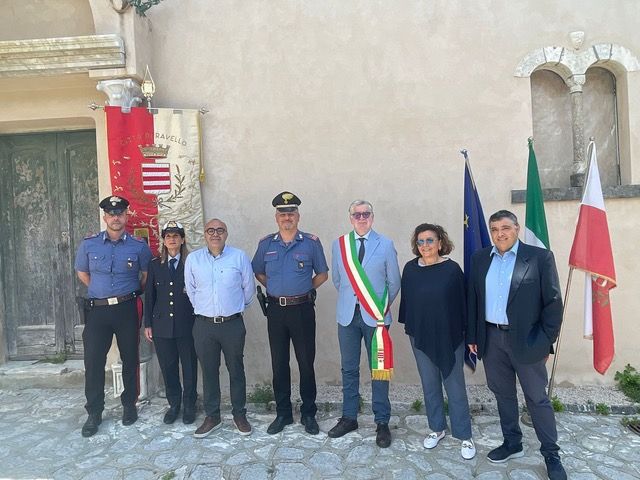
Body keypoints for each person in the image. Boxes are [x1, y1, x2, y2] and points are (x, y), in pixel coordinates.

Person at [467, 210, 566, 480]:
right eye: (495, 228)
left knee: (537, 399)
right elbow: (473, 300)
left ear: (517, 228)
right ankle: (513, 443)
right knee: (503, 395)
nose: (500, 233)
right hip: (491, 339)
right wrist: (473, 336)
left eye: (506, 227)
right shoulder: (479, 260)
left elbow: (553, 303)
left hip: (528, 340)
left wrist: (546, 342)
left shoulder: (539, 258)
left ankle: (551, 455)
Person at [251, 192, 329, 435]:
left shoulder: (311, 243)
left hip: (302, 310)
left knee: (306, 363)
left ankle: (308, 414)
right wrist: (275, 290)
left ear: (298, 216)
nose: (287, 217)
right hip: (275, 310)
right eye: (283, 214)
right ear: (276, 217)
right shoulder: (266, 244)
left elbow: (322, 274)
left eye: (291, 213)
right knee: (279, 364)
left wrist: (303, 289)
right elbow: (259, 272)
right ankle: (283, 414)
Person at [75, 195, 152, 437]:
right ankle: (94, 411)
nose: (115, 217)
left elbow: (145, 278)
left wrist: (124, 295)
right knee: (94, 361)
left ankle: (129, 405)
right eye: (111, 213)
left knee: (130, 358)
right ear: (105, 217)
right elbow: (82, 273)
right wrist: (102, 294)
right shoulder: (89, 244)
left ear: (126, 216)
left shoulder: (138, 246)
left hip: (126, 309)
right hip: (97, 310)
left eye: (120, 213)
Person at [398, 223, 475, 460]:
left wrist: (468, 335)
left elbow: (464, 304)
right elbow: (408, 303)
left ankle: (464, 435)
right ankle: (437, 428)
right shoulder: (410, 269)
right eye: (420, 242)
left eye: (430, 240)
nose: (425, 246)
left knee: (454, 386)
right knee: (429, 384)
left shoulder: (452, 270)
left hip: (450, 336)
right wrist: (412, 330)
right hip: (420, 336)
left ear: (440, 243)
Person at [328, 200, 401, 448]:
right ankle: (349, 417)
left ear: (372, 217)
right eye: (356, 214)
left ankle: (382, 421)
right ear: (350, 218)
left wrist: (378, 307)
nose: (361, 217)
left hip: (376, 318)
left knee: (378, 370)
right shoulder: (339, 245)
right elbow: (338, 280)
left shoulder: (386, 244)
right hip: (347, 316)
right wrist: (354, 299)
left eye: (366, 214)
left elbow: (394, 282)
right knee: (349, 369)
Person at [185, 218, 255, 438]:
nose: (215, 234)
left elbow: (248, 289)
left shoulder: (239, 257)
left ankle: (239, 414)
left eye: (220, 230)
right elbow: (191, 289)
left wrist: (232, 309)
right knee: (208, 371)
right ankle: (212, 416)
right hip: (204, 325)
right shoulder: (194, 260)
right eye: (210, 230)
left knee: (236, 369)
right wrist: (206, 311)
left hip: (232, 324)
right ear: (204, 234)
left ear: (226, 234)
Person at [144, 221, 198, 425]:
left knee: (190, 366)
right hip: (162, 326)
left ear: (183, 239)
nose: (172, 239)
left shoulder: (191, 263)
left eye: (176, 236)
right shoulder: (155, 264)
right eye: (168, 236)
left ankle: (190, 404)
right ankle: (174, 404)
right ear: (163, 241)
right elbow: (150, 296)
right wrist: (148, 324)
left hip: (187, 324)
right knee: (168, 367)